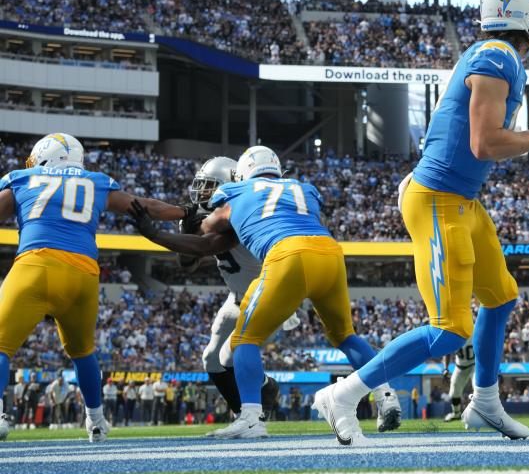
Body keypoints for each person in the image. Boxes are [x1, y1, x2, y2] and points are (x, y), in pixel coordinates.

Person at [309, 0, 529, 445]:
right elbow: (483, 143)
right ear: (525, 12)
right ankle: (345, 394)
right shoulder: (497, 55)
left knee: (501, 296)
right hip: (439, 199)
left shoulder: (499, 58)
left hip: (462, 200)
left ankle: (485, 402)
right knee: (451, 328)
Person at [130, 145, 399, 440]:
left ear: (237, 177)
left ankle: (250, 417)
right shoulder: (301, 187)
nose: (204, 193)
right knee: (345, 335)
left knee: (246, 339)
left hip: (284, 262)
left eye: (210, 188)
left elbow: (205, 239)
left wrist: (163, 231)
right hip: (329, 254)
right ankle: (386, 395)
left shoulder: (235, 195)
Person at [0, 133, 188, 441]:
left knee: (1, 345)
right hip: (83, 274)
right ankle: (97, 421)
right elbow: (145, 206)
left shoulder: (23, 177)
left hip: (35, 265)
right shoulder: (97, 181)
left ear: (46, 157)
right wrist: (185, 211)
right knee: (83, 352)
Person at [179, 157, 300, 423]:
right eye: (201, 186)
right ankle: (241, 414)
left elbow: (203, 245)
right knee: (210, 358)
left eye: (210, 186)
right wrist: (189, 227)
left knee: (227, 357)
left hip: (265, 298)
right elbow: (187, 264)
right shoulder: (215, 215)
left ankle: (263, 389)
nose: (203, 193)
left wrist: (185, 231)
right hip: (238, 299)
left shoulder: (240, 215)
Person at [443, 340, 475, 422]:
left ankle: (480, 414)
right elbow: (447, 352)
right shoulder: (454, 333)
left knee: (478, 387)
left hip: (474, 364)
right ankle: (456, 413)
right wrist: (446, 368)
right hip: (460, 366)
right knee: (454, 390)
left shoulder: (475, 330)